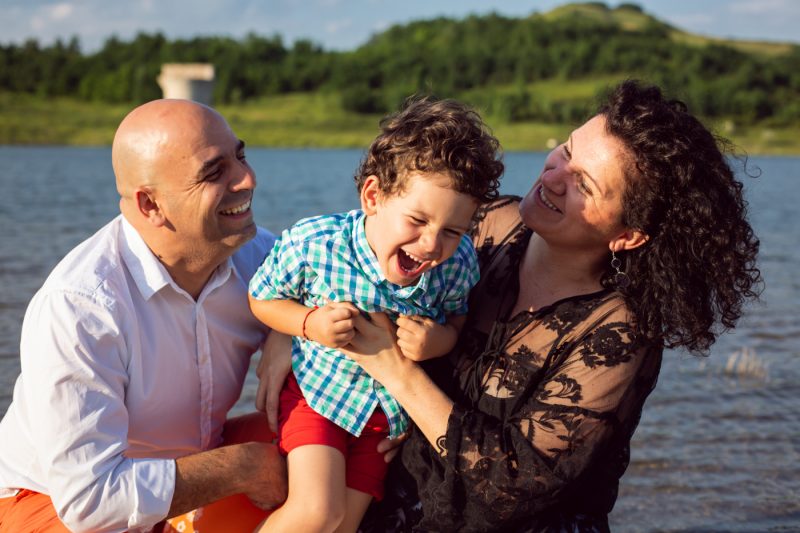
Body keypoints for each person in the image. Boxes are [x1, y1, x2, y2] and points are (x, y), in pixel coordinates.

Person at [328, 80, 761, 532]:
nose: (552, 176)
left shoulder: (619, 332)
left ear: (628, 235)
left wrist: (398, 375)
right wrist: (286, 334)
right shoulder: (487, 222)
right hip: (393, 501)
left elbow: (511, 486)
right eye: (568, 151)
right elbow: (349, 263)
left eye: (584, 184)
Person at [0, 99, 289, 532]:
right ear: (150, 204)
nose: (247, 179)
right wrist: (241, 467)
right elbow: (90, 503)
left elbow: (338, 292)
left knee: (325, 442)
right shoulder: (81, 306)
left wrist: (289, 330)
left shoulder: (258, 257)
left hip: (182, 473)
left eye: (240, 156)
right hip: (50, 504)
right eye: (214, 172)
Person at [247, 98, 504, 532]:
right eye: (417, 220)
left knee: (344, 525)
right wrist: (308, 324)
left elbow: (457, 319)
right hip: (318, 398)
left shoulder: (457, 264)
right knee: (316, 512)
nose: (430, 245)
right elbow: (262, 298)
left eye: (453, 231)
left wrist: (436, 341)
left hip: (383, 422)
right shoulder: (317, 243)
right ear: (373, 196)